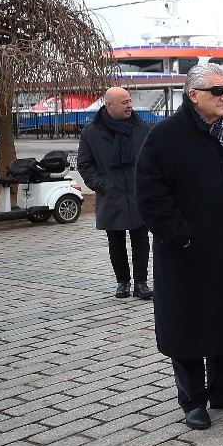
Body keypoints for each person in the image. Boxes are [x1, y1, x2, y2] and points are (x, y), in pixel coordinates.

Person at [135, 64, 223, 430]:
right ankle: (192, 399)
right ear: (194, 95)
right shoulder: (165, 137)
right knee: (188, 326)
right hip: (188, 254)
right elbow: (150, 197)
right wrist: (182, 235)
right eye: (218, 91)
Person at [78, 87, 153, 300]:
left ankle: (141, 283)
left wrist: (147, 183)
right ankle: (122, 283)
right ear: (109, 105)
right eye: (124, 102)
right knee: (116, 242)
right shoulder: (91, 133)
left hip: (138, 195)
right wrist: (101, 185)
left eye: (130, 101)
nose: (130, 105)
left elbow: (152, 159)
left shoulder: (141, 128)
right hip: (111, 196)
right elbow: (85, 164)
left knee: (141, 240)